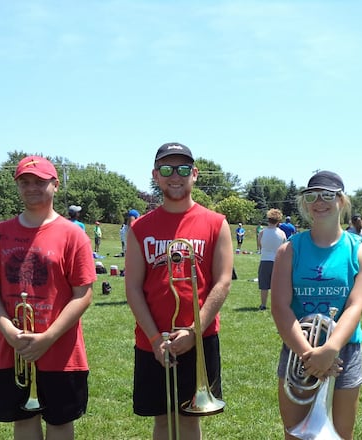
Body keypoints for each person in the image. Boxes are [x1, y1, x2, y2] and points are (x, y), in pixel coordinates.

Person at [0, 155, 96, 439]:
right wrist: (9, 331)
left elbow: (83, 294)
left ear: (55, 185)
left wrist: (48, 337)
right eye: (25, 182)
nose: (32, 188)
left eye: (40, 182)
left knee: (60, 424)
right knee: (23, 421)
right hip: (14, 348)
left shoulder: (72, 234)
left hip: (61, 350)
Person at [125, 142, 233, 440]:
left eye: (183, 169)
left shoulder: (216, 223)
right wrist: (154, 339)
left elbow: (222, 282)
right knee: (162, 421)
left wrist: (194, 331)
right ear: (155, 175)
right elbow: (132, 287)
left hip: (199, 338)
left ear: (194, 174)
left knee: (190, 420)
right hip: (153, 340)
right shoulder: (139, 228)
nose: (175, 176)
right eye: (167, 169)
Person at [271, 170, 362, 440]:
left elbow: (355, 306)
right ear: (305, 203)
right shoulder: (288, 250)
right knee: (295, 433)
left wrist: (330, 349)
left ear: (341, 200)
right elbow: (280, 307)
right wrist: (308, 354)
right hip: (298, 350)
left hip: (344, 353)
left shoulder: (361, 252)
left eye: (327, 195)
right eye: (312, 196)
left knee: (340, 434)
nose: (319, 202)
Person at [257, 209, 286, 310]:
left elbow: (260, 245)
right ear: (278, 221)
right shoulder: (282, 233)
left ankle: (263, 304)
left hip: (265, 260)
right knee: (277, 285)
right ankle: (278, 305)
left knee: (264, 285)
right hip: (277, 261)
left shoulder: (262, 233)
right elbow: (284, 247)